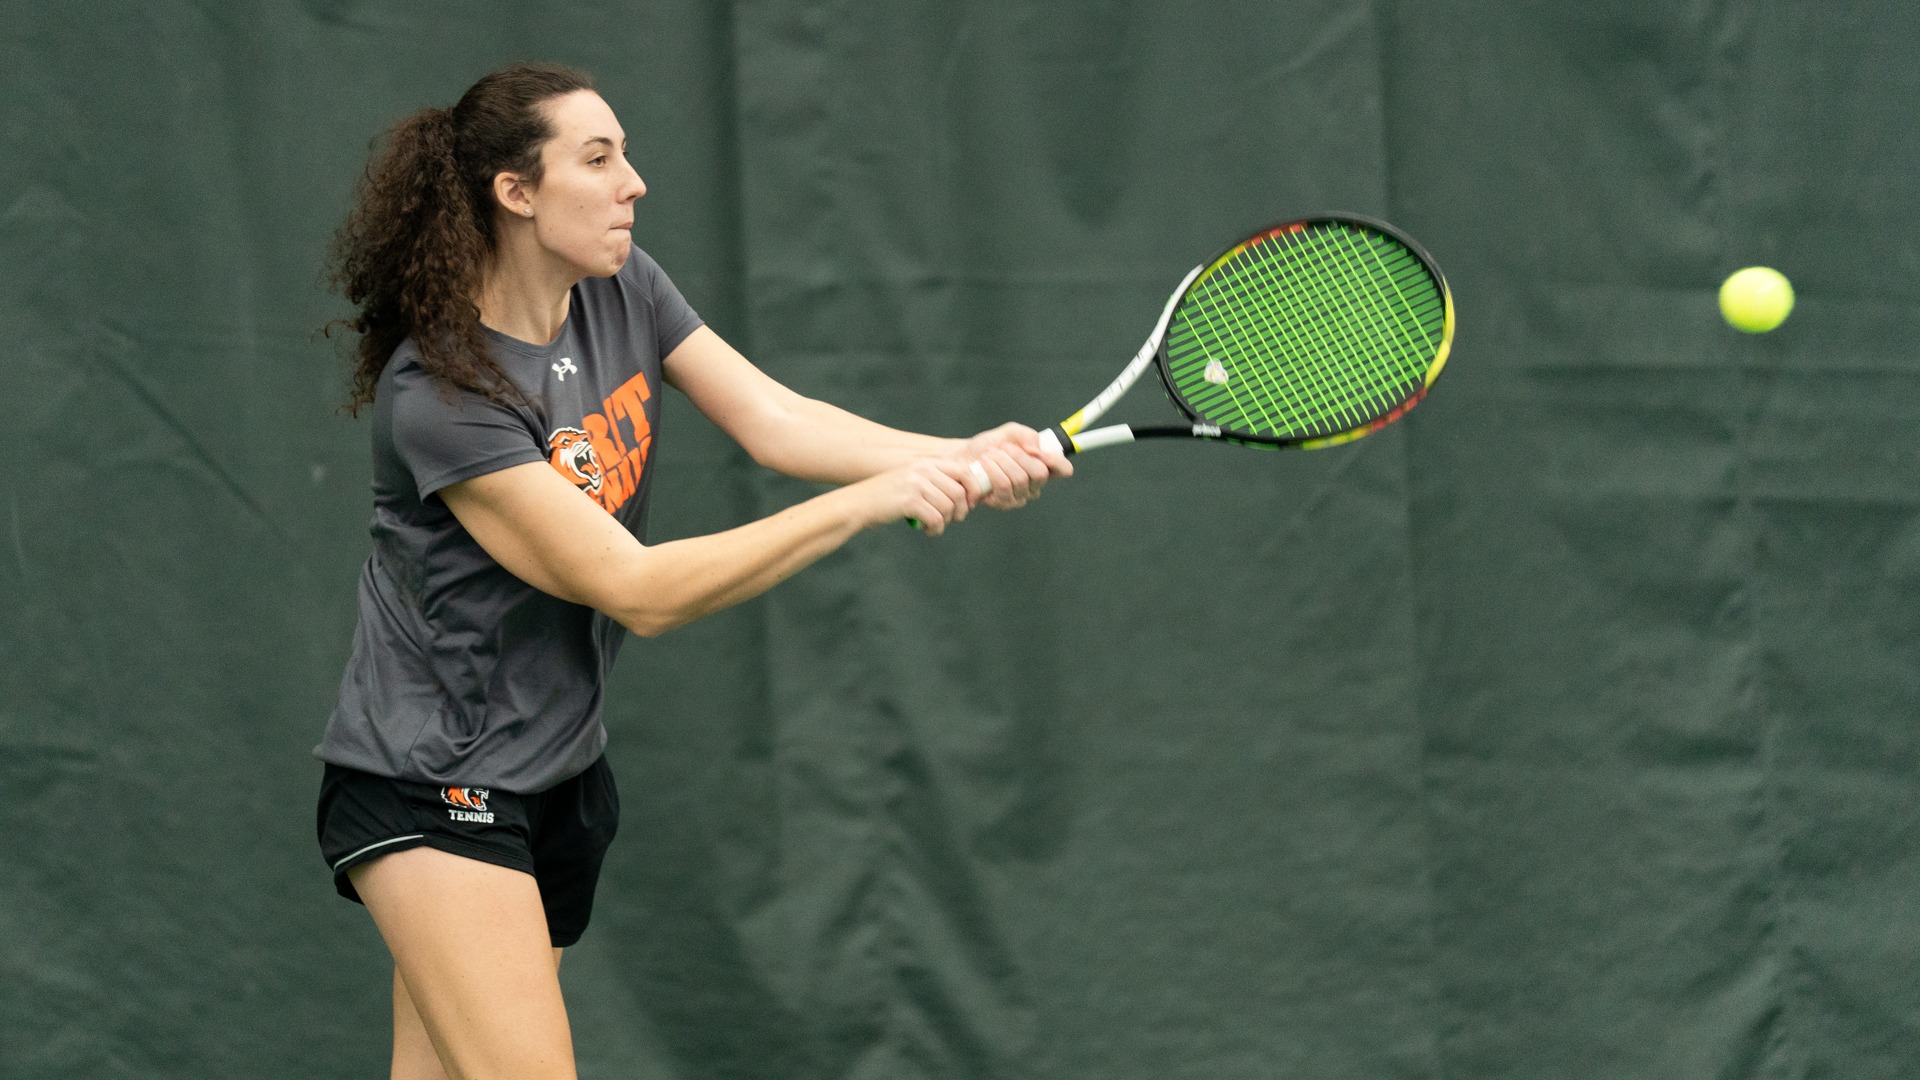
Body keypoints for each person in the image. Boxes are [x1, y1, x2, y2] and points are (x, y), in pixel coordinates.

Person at [313, 62, 1069, 1080]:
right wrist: (869, 502)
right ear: (516, 192)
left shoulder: (620, 284)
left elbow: (775, 419)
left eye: (624, 153)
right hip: (435, 783)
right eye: (599, 158)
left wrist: (952, 454)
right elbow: (637, 588)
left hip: (559, 771)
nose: (635, 182)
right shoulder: (443, 396)